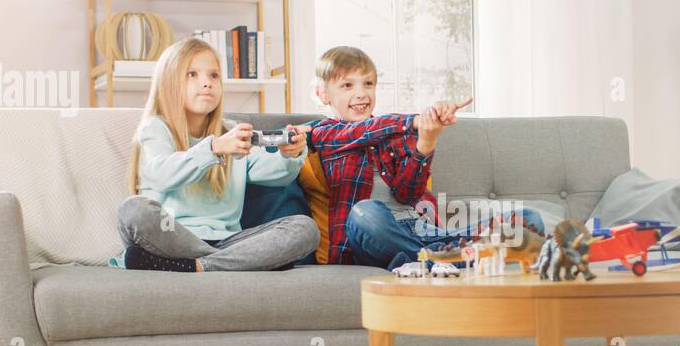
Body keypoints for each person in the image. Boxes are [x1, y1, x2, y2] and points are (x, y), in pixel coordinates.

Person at [293, 46, 537, 269]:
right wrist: (416, 121)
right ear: (323, 94)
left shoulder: (395, 136)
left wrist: (426, 141)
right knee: (364, 212)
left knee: (527, 220)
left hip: (425, 231)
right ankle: (444, 260)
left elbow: (407, 194)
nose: (361, 93)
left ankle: (423, 259)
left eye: (368, 84)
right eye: (347, 86)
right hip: (373, 237)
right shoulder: (321, 133)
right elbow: (364, 132)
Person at [116, 36, 318, 272]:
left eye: (213, 75)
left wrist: (289, 155)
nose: (207, 83)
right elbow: (161, 174)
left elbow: (273, 173)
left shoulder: (230, 132)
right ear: (169, 83)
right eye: (192, 74)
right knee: (133, 210)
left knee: (305, 229)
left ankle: (200, 266)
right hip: (173, 234)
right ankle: (242, 262)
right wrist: (213, 149)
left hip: (227, 241)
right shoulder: (155, 128)